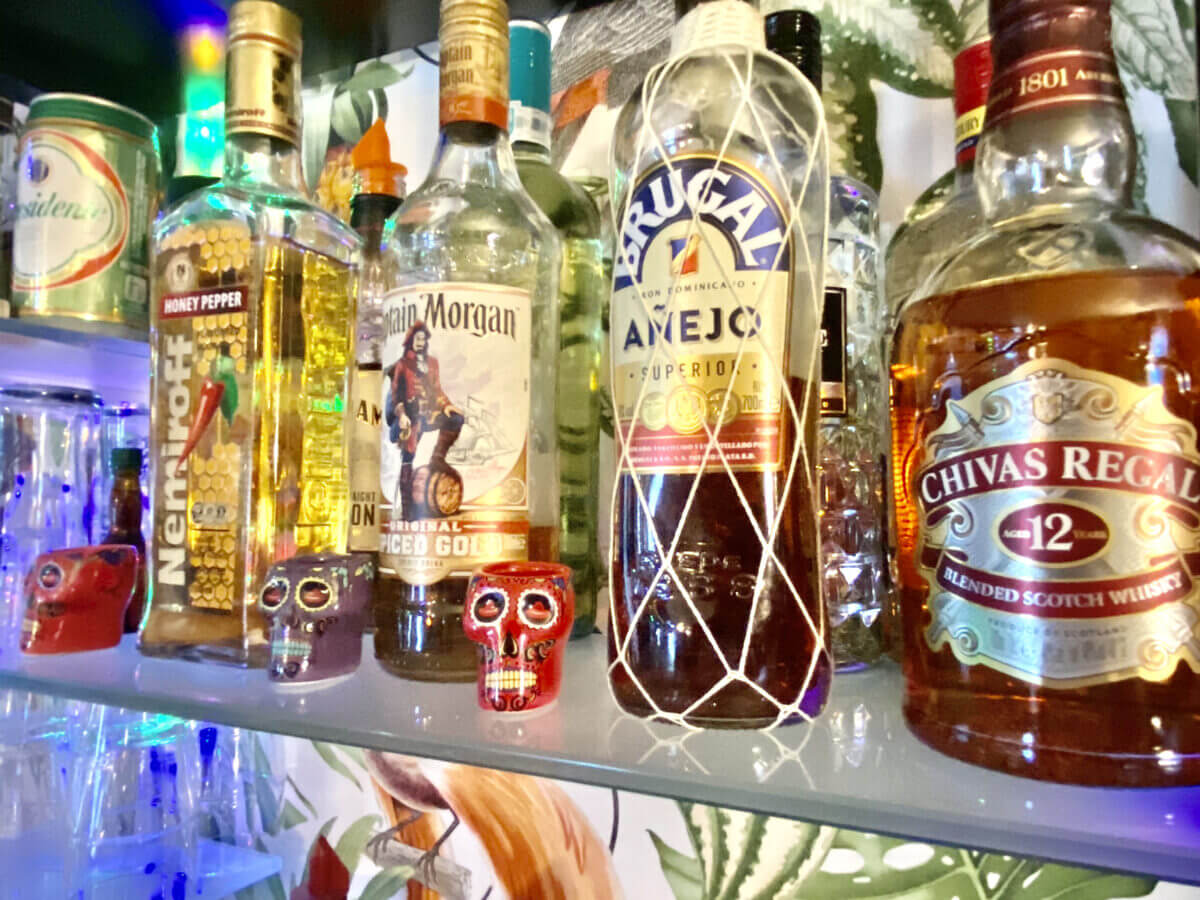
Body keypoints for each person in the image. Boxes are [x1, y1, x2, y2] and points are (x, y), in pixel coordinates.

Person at [385, 321, 465, 520]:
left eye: (423, 339)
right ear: (410, 341)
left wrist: (446, 405)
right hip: (411, 418)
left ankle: (438, 457)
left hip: (429, 414)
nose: (420, 342)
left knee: (456, 419)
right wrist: (402, 416)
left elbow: (436, 390)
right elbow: (396, 396)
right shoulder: (402, 365)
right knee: (408, 458)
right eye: (417, 339)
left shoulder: (432, 363)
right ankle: (407, 509)